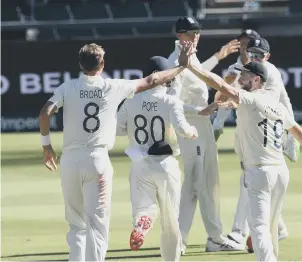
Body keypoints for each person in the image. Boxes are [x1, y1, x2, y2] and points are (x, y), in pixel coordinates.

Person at [38, 43, 189, 261]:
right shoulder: (112, 86)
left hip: (70, 160)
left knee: (76, 225)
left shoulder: (67, 87)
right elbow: (152, 81)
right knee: (97, 225)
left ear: (80, 64)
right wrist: (181, 67)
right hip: (97, 160)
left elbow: (45, 113)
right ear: (102, 64)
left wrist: (46, 146)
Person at [179, 47, 302, 261]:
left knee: (259, 227)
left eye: (245, 75)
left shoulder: (251, 100)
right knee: (270, 226)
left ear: (258, 80)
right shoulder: (276, 106)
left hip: (260, 172)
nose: (240, 78)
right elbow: (299, 132)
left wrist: (191, 66)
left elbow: (220, 84)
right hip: (280, 172)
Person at [116, 55, 221, 261]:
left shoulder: (131, 99)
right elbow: (183, 129)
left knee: (143, 208)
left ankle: (142, 223)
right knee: (171, 220)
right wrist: (192, 132)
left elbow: (119, 129)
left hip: (139, 164)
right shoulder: (170, 100)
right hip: (165, 164)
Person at [167, 16, 243, 253]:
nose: (196, 36)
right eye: (191, 33)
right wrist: (199, 110)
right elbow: (171, 102)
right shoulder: (175, 61)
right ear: (180, 35)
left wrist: (218, 57)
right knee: (193, 185)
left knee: (210, 184)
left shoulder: (191, 57)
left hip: (203, 128)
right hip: (191, 130)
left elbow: (198, 74)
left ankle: (214, 238)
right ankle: (178, 240)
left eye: (198, 32)